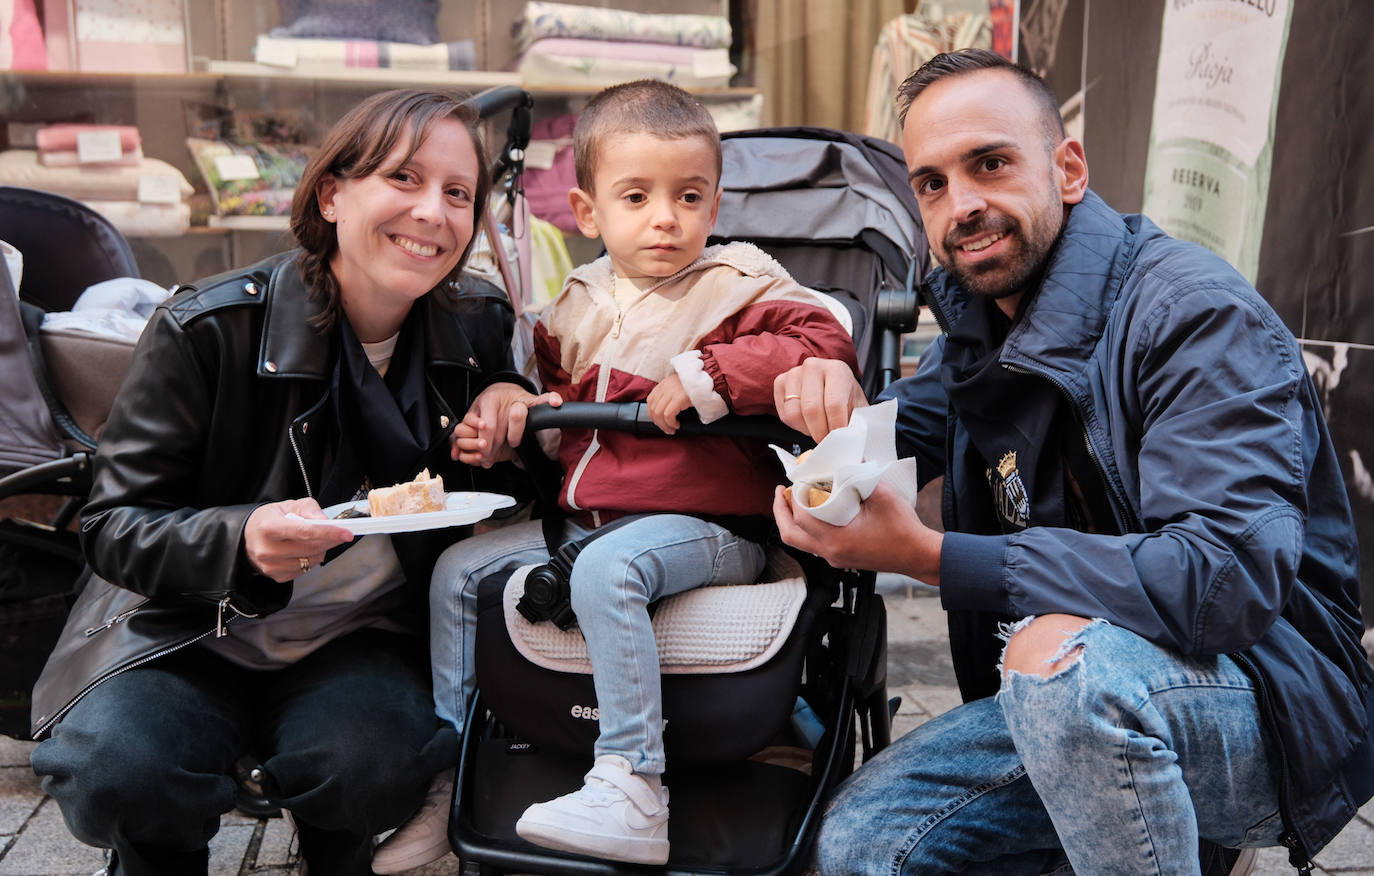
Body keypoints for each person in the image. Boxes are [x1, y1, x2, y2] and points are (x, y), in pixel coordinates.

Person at [771, 48, 1374, 874]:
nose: (963, 205)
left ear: (1068, 169)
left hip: (1269, 702)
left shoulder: (1193, 318)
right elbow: (897, 429)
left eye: (990, 163)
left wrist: (932, 558)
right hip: (1075, 698)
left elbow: (1225, 581)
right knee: (864, 841)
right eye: (933, 182)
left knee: (1061, 665)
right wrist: (825, 387)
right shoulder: (986, 324)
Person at [27, 89, 556, 876]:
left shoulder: (473, 323)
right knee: (122, 768)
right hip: (185, 630)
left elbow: (522, 478)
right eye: (403, 180)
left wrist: (513, 409)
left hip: (359, 636)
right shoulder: (208, 329)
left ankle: (334, 847)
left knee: (372, 762)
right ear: (333, 192)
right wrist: (241, 539)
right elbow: (113, 524)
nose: (433, 213)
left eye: (458, 194)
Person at [373, 78, 859, 870]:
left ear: (715, 204)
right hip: (588, 518)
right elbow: (553, 402)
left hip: (710, 529)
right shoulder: (577, 304)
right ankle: (450, 780)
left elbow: (824, 343)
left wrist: (715, 372)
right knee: (459, 574)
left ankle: (633, 782)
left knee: (608, 569)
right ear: (590, 213)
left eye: (689, 196)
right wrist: (510, 410)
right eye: (637, 197)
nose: (666, 217)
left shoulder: (740, 285)